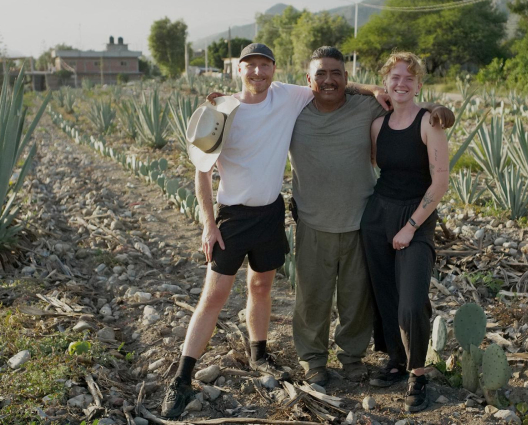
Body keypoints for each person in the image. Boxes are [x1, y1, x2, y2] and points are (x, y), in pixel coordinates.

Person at [161, 43, 388, 418]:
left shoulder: (288, 95)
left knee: (262, 286)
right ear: (238, 70)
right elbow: (201, 170)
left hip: (270, 213)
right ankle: (181, 379)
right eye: (250, 67)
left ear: (273, 70)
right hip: (232, 216)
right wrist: (208, 225)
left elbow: (334, 84)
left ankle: (259, 353)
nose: (257, 73)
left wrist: (375, 90)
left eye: (264, 66)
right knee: (214, 296)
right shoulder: (221, 110)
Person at [289, 47, 454, 387]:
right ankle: (320, 362)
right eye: (320, 74)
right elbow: (257, 96)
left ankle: (360, 360)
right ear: (308, 80)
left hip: (368, 218)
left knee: (359, 301)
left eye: (337, 73)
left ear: (348, 79)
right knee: (318, 298)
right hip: (331, 219)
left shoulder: (370, 108)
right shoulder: (295, 109)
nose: (329, 80)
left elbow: (406, 106)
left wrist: (439, 109)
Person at [360, 52, 450, 412]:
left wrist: (411, 226)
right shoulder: (377, 126)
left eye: (408, 79)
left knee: (412, 300)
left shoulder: (431, 122)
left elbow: (441, 181)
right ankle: (395, 361)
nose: (401, 83)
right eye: (395, 77)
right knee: (385, 293)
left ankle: (417, 372)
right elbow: (375, 165)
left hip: (417, 214)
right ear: (385, 82)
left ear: (419, 85)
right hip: (378, 214)